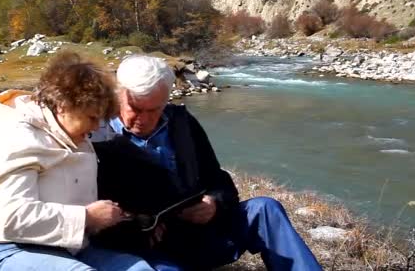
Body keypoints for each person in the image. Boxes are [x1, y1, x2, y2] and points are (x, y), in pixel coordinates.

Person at [91, 55, 322, 271]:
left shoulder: (182, 124)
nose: (145, 119)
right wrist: (135, 229)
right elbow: (88, 215)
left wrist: (214, 203)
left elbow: (219, 180)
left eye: (155, 109)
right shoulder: (96, 136)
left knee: (265, 209)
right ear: (118, 95)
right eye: (137, 109)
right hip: (152, 251)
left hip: (204, 235)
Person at [0, 52, 154, 271]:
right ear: (62, 105)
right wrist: (87, 217)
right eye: (92, 118)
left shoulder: (73, 136)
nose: (96, 128)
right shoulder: (13, 135)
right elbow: (11, 217)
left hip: (61, 248)